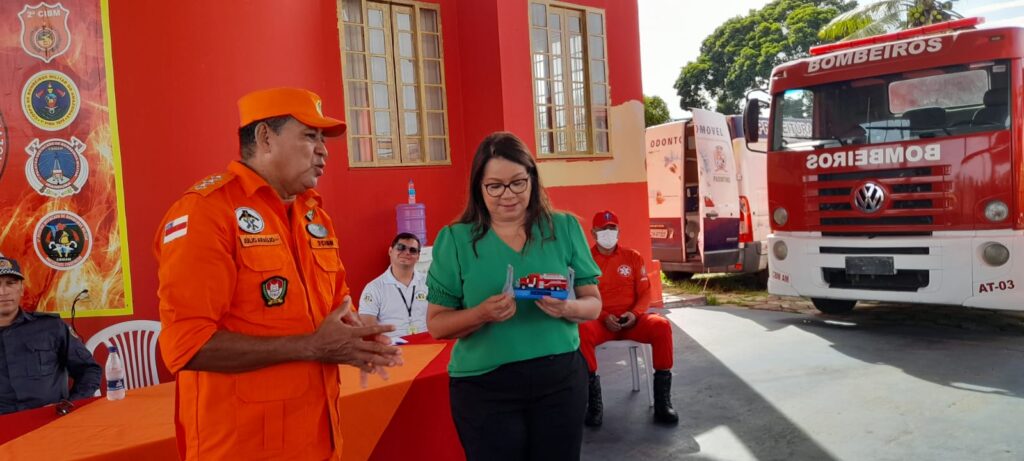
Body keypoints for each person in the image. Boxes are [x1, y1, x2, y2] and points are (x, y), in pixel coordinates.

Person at [154, 87, 402, 460]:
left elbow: (334, 311)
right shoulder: (206, 213)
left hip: (320, 441)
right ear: (265, 138)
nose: (323, 150)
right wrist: (311, 346)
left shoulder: (314, 216)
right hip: (242, 447)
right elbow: (186, 346)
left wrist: (359, 341)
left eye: (323, 139)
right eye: (310, 136)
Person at [426, 131, 603, 461]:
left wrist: (568, 307)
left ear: (532, 180)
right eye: (494, 186)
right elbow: (437, 325)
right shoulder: (455, 239)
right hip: (484, 389)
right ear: (479, 188)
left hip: (561, 381)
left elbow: (593, 304)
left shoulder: (563, 227)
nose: (507, 195)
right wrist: (482, 314)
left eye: (518, 182)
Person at [578, 210, 679, 426]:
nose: (608, 232)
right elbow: (584, 295)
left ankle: (663, 402)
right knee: (581, 329)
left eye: (612, 228)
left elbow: (645, 293)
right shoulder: (585, 260)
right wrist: (604, 316)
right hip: (600, 322)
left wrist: (633, 314)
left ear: (619, 231)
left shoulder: (632, 257)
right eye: (603, 229)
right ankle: (594, 404)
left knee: (661, 325)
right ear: (593, 233)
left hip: (632, 321)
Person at [0, 255, 101, 415]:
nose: (3, 291)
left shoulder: (51, 327)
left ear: (21, 289)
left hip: (49, 422)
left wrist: (70, 405)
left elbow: (89, 370)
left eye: (11, 283)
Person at [358, 232, 429, 338]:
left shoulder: (429, 282)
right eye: (401, 248)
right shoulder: (374, 288)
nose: (407, 252)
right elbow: (367, 327)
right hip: (392, 348)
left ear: (418, 257)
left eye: (412, 250)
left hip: (428, 345)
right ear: (390, 251)